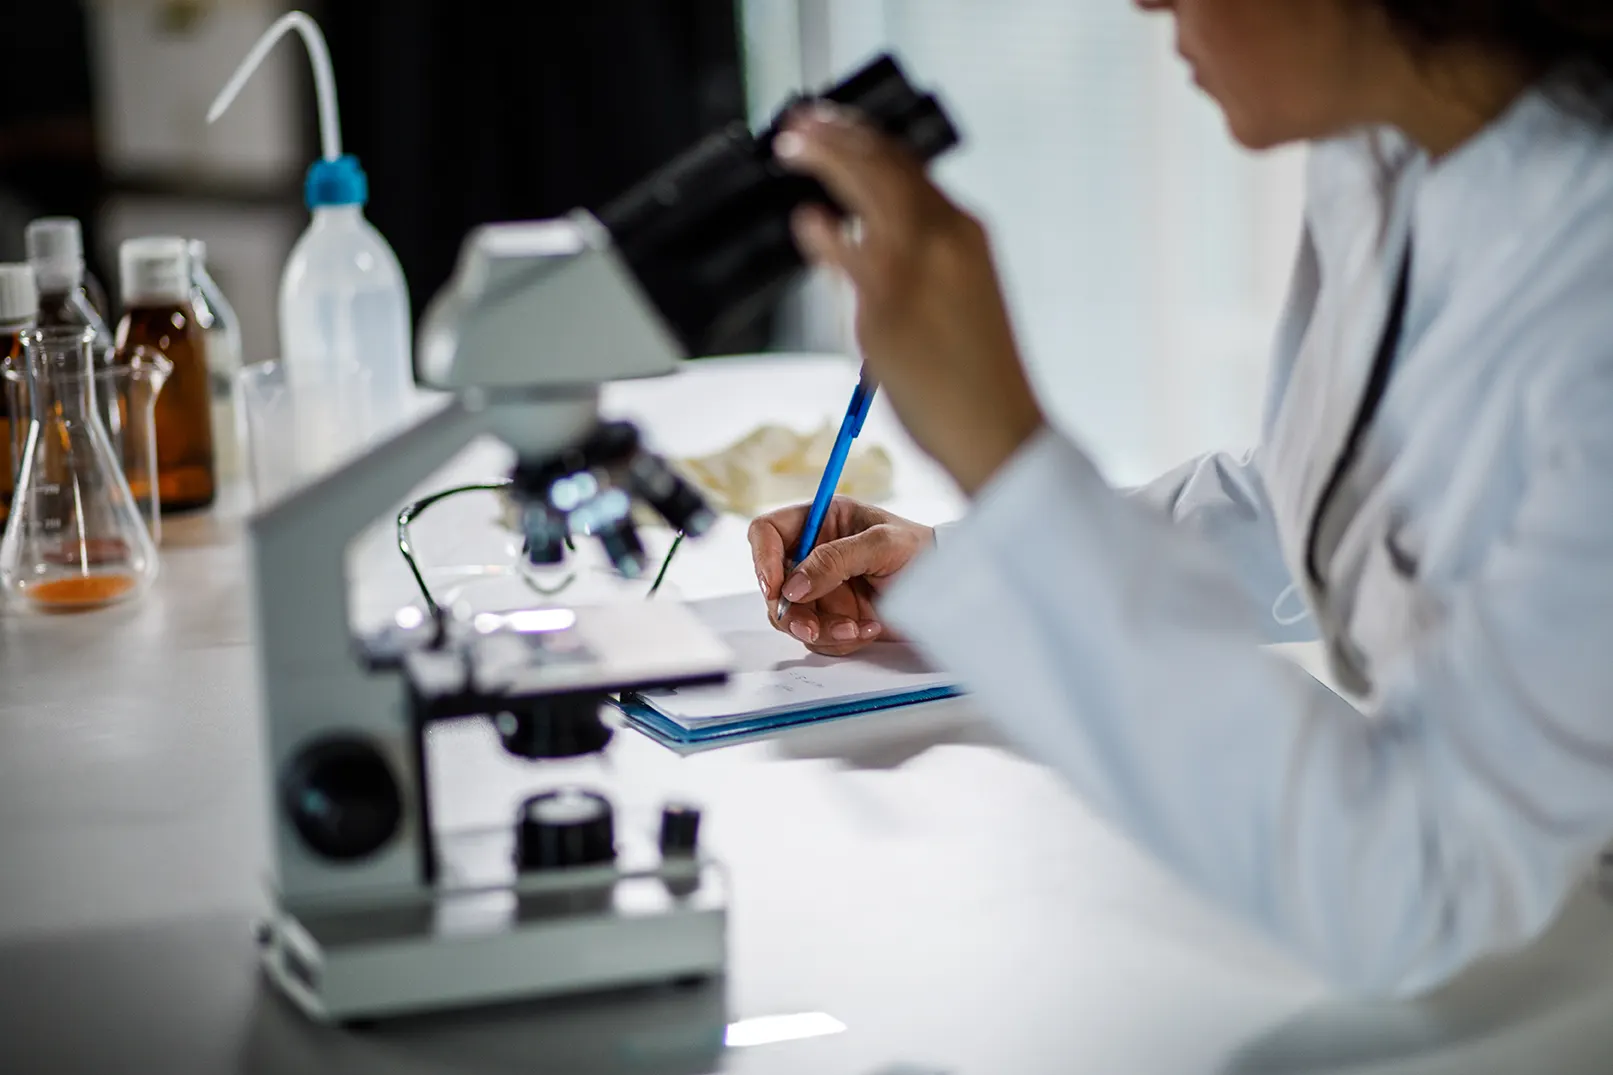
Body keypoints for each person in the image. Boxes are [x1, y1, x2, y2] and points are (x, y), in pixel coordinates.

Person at [747, 0, 1613, 996]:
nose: (1146, 2)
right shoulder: (1384, 159)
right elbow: (1323, 492)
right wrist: (974, 556)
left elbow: (1408, 884)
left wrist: (1009, 458)